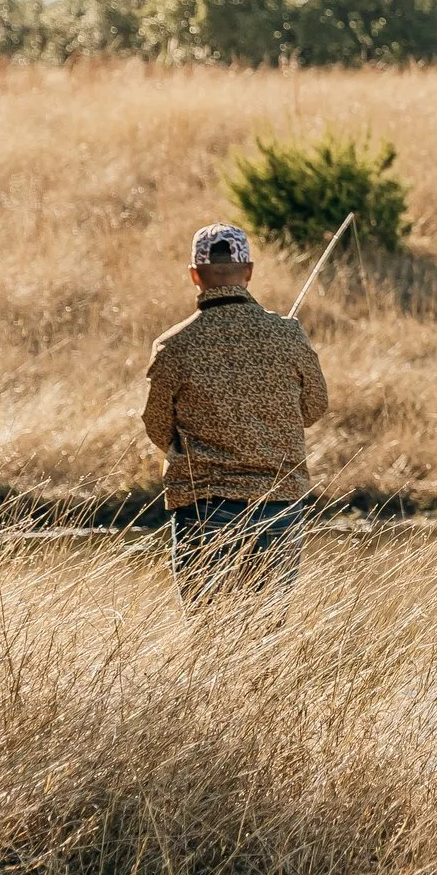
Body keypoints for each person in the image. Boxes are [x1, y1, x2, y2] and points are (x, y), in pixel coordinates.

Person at [142, 223, 329, 611]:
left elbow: (158, 427)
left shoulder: (173, 346)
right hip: (278, 503)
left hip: (203, 505)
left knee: (208, 622)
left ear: (195, 275)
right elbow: (314, 408)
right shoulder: (288, 334)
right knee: (265, 629)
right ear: (249, 271)